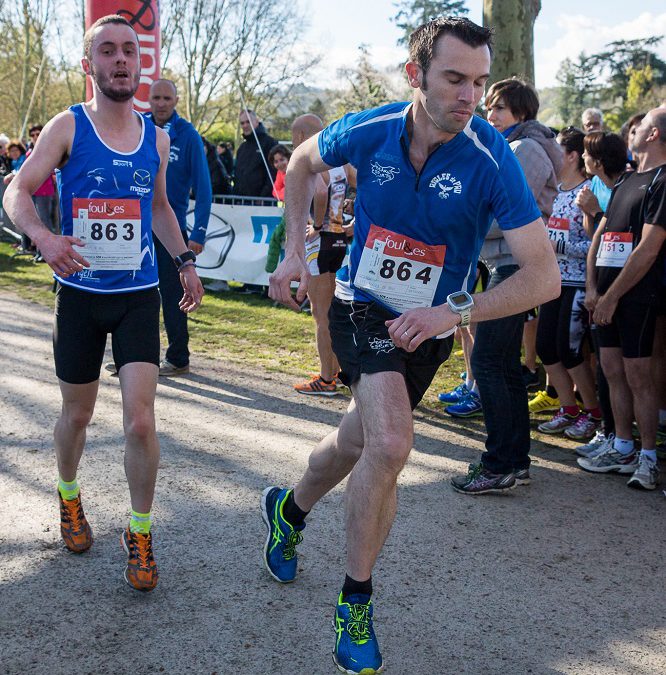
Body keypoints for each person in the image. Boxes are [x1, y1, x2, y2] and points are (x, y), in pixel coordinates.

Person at [264, 17, 560, 673]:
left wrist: (449, 311)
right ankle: (356, 602)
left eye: (480, 83)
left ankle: (287, 509)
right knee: (393, 441)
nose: (469, 96)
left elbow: (540, 275)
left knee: (357, 440)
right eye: (454, 79)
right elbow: (307, 160)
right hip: (362, 302)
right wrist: (293, 252)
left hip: (429, 324)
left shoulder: (492, 159)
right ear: (415, 76)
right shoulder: (370, 130)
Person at [2, 14, 204, 591]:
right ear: (88, 65)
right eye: (108, 51)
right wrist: (41, 238)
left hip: (138, 296)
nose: (121, 60)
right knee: (79, 415)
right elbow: (17, 190)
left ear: (140, 66)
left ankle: (139, 531)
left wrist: (184, 260)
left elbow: (160, 207)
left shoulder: (157, 137)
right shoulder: (68, 127)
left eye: (129, 52)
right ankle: (68, 494)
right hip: (81, 298)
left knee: (140, 421)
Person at [579, 108, 666, 490]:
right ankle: (623, 445)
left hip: (637, 297)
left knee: (638, 377)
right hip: (606, 296)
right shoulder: (627, 179)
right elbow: (601, 234)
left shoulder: (663, 181)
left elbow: (648, 249)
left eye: (643, 123)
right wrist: (594, 288)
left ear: (653, 135)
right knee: (611, 370)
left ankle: (648, 457)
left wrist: (613, 296)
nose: (634, 128)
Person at [534, 128, 600, 439]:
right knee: (546, 348)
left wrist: (559, 246)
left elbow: (596, 247)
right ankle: (568, 408)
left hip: (577, 284)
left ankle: (593, 412)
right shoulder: (557, 191)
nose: (550, 155)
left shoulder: (588, 193)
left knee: (571, 351)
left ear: (572, 156)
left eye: (557, 150)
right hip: (553, 282)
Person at [146, 78, 211, 376]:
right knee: (138, 293)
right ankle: (139, 357)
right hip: (136, 226)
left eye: (166, 98)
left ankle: (178, 356)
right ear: (148, 99)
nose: (161, 103)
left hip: (170, 227)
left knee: (174, 294)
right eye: (156, 98)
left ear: (175, 100)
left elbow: (204, 186)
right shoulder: (138, 127)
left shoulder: (188, 135)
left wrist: (198, 231)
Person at [290, 114, 355, 397]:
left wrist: (316, 225)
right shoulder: (341, 161)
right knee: (334, 311)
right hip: (339, 238)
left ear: (303, 135)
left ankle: (326, 379)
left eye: (294, 136)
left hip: (322, 241)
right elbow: (362, 182)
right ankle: (337, 372)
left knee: (321, 314)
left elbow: (318, 191)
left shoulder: (314, 161)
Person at [233, 109, 277, 197]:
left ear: (256, 121)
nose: (245, 125)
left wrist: (263, 197)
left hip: (262, 204)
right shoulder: (242, 148)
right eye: (242, 123)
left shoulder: (270, 143)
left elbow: (273, 172)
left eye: (248, 122)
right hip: (240, 202)